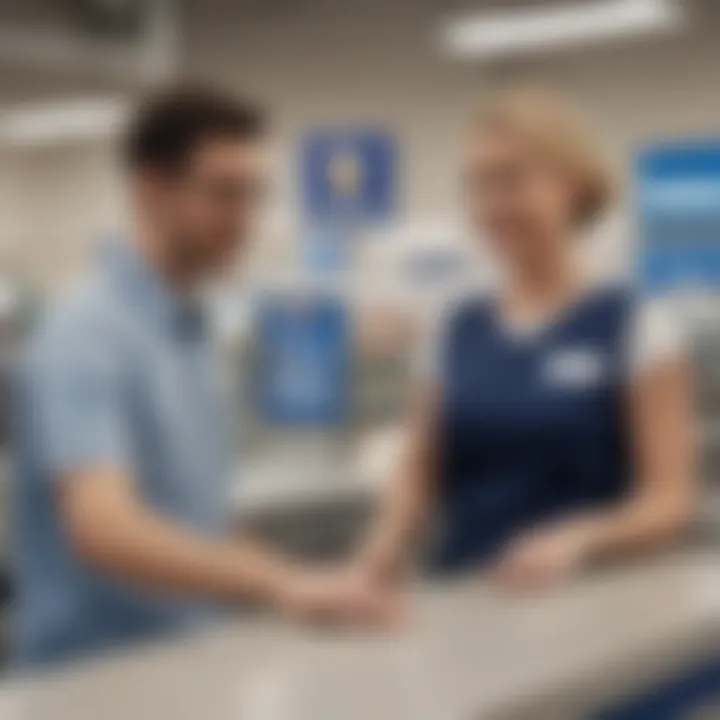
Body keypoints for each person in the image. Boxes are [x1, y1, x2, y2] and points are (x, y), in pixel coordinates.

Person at [13, 86, 392, 667]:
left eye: (253, 196)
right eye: (224, 194)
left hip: (187, 666)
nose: (244, 219)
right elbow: (103, 527)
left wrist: (305, 583)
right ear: (150, 189)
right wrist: (278, 585)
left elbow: (200, 522)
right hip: (94, 687)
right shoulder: (85, 335)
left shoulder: (192, 332)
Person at [355, 86, 695, 591]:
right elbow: (418, 472)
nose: (492, 205)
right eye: (477, 185)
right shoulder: (457, 328)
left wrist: (579, 539)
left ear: (573, 186)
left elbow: (670, 503)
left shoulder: (633, 323)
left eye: (510, 181)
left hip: (593, 604)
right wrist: (378, 555)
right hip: (466, 598)